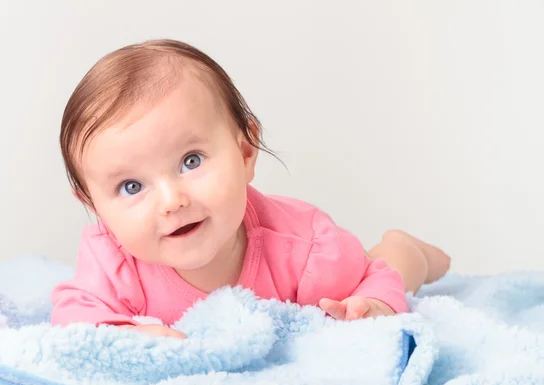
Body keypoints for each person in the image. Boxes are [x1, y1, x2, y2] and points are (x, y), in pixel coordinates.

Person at [50, 39, 450, 338]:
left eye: (191, 161)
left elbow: (372, 278)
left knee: (390, 266)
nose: (172, 201)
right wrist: (126, 335)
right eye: (131, 186)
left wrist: (376, 303)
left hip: (334, 262)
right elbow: (73, 317)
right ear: (95, 207)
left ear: (244, 152)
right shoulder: (111, 261)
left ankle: (409, 249)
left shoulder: (308, 251)